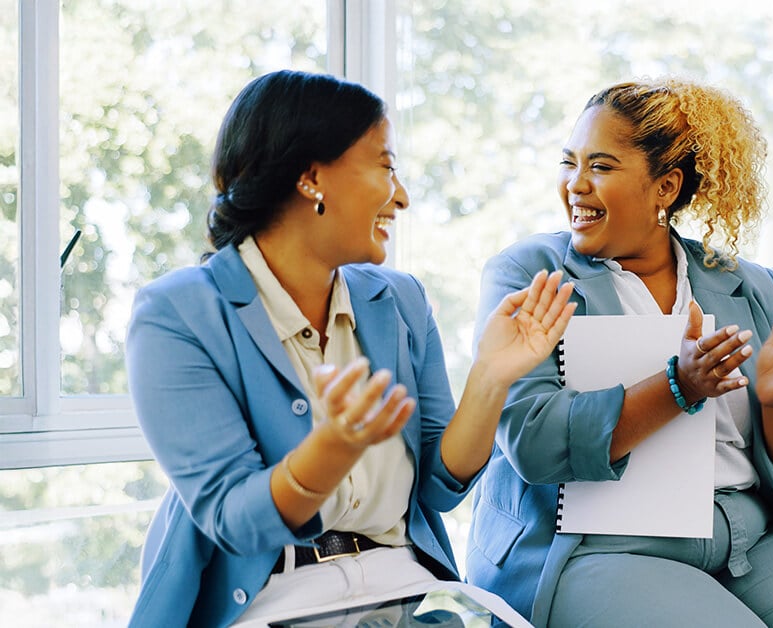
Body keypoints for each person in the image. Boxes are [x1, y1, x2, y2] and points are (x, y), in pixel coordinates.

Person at [124, 70, 576, 627]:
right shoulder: (178, 314)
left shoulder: (400, 300)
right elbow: (235, 521)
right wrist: (334, 446)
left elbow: (439, 485)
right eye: (385, 166)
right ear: (312, 177)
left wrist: (491, 376)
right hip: (267, 599)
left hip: (402, 588)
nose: (402, 196)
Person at [466, 79, 773, 627]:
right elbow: (534, 443)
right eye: (569, 162)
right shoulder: (530, 274)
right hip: (595, 546)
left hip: (748, 536)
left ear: (665, 187)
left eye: (601, 166)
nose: (575, 184)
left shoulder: (747, 285)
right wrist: (679, 387)